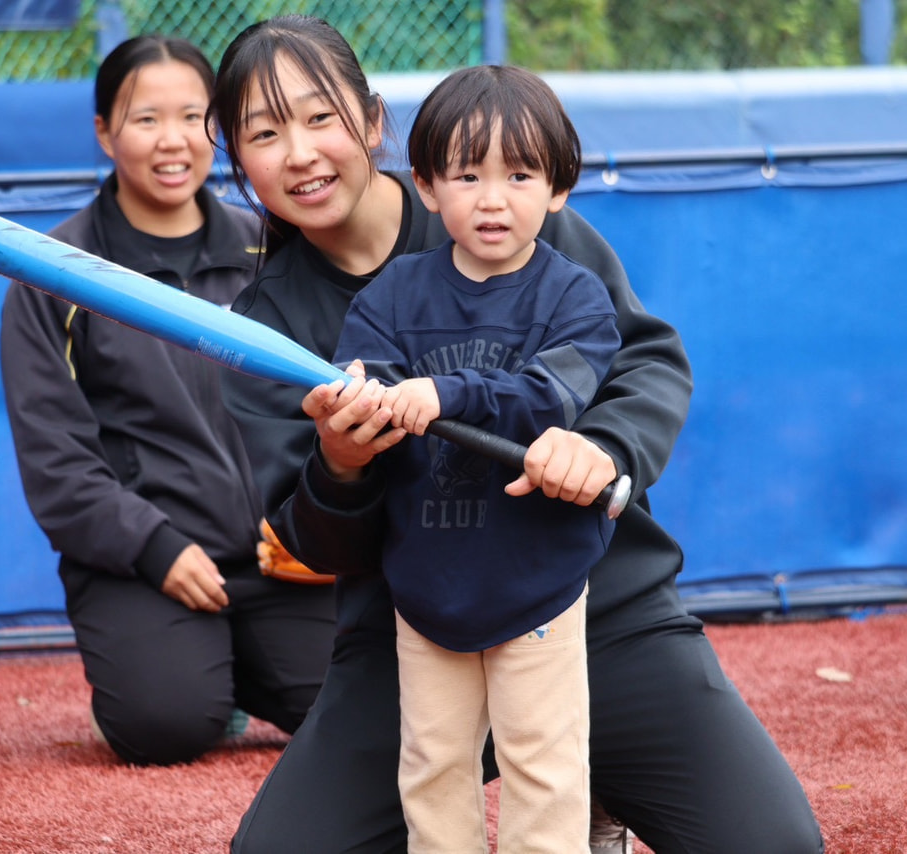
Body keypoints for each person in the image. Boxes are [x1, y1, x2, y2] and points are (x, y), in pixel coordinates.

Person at [210, 14, 824, 853]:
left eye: (321, 118)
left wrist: (602, 446)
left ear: (374, 121)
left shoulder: (497, 204)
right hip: (416, 631)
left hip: (588, 610)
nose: (301, 153)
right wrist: (341, 464)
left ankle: (596, 784)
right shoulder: (265, 324)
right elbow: (315, 539)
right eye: (265, 133)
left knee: (773, 846)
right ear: (237, 157)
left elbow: (646, 364)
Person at [0, 34, 337, 767]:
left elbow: (326, 403)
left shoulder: (275, 249)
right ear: (104, 132)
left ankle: (237, 662)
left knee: (361, 711)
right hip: (148, 562)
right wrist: (155, 547)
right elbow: (57, 462)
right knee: (164, 724)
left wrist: (317, 524)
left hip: (275, 554)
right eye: (146, 119)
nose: (173, 140)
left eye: (192, 117)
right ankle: (197, 673)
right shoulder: (55, 275)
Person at [319, 64, 620, 852]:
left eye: (519, 175)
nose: (492, 199)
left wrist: (445, 393)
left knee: (543, 766)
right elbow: (365, 384)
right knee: (432, 765)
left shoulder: (577, 298)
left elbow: (549, 398)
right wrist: (360, 403)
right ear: (425, 186)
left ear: (558, 189)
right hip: (426, 585)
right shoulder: (391, 295)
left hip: (539, 585)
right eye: (467, 176)